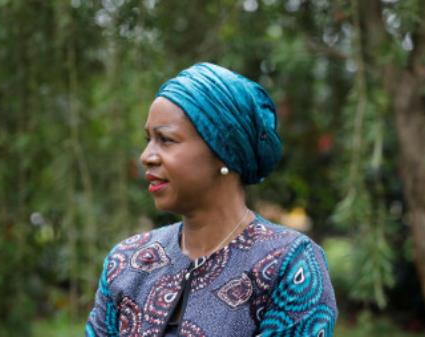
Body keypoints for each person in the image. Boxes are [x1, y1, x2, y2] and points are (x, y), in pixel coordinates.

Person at [85, 63, 337, 337]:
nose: (147, 156)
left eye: (166, 139)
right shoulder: (126, 262)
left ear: (223, 150)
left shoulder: (289, 266)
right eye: (149, 139)